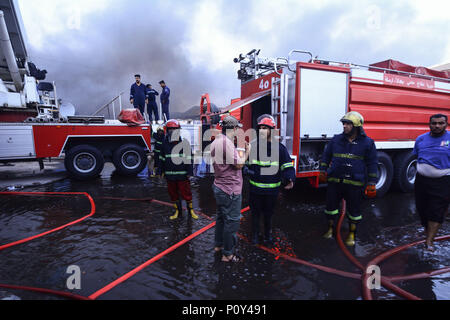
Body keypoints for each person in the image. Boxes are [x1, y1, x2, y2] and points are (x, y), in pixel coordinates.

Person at [319, 111, 378, 246]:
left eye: (348, 124)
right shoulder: (335, 139)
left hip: (355, 184)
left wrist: (372, 183)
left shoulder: (368, 143)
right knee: (330, 208)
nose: (344, 126)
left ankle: (352, 234)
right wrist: (322, 170)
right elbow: (326, 156)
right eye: (344, 123)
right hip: (335, 181)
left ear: (356, 126)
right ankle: (330, 229)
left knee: (354, 211)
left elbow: (372, 163)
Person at [247, 114, 295, 246]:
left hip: (271, 192)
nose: (262, 130)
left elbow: (287, 166)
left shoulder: (280, 149)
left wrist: (290, 178)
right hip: (255, 190)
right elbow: (243, 163)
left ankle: (267, 236)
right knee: (255, 214)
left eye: (265, 128)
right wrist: (245, 170)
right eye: (260, 128)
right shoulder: (252, 146)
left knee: (268, 215)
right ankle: (255, 235)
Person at [210, 115, 250, 262]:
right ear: (233, 128)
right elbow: (239, 164)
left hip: (219, 186)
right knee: (231, 222)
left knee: (221, 218)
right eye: (237, 129)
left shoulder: (217, 141)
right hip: (230, 190)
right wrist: (247, 152)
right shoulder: (226, 143)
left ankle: (218, 246)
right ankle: (228, 254)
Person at [412, 113, 449, 251]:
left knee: (436, 210)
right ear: (429, 124)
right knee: (422, 208)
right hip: (421, 181)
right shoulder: (421, 139)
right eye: (434, 123)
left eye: (441, 123)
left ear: (446, 124)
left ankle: (429, 241)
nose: (437, 126)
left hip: (443, 181)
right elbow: (417, 155)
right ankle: (428, 231)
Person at [159, 119, 198, 220]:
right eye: (170, 129)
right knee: (173, 195)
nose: (172, 132)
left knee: (187, 194)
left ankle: (191, 211)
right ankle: (178, 211)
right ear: (167, 130)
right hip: (170, 175)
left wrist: (190, 173)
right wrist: (160, 171)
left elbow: (189, 159)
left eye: (174, 129)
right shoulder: (164, 144)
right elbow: (162, 159)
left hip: (182, 175)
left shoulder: (184, 144)